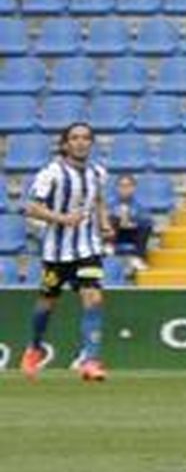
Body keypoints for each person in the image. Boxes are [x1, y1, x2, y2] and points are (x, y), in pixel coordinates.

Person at [18, 123, 113, 382]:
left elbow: (98, 200)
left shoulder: (97, 173)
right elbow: (31, 207)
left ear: (91, 143)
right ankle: (34, 348)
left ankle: (90, 361)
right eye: (75, 138)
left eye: (86, 138)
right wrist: (62, 219)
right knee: (47, 303)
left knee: (93, 298)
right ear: (65, 144)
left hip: (88, 248)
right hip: (56, 253)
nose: (81, 142)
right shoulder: (51, 173)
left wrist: (104, 223)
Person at [109, 174, 152, 272]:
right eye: (121, 186)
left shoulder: (141, 204)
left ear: (133, 188)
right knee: (112, 220)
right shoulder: (110, 203)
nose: (124, 189)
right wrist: (118, 219)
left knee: (146, 226)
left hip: (133, 234)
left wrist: (133, 221)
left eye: (128, 186)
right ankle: (109, 247)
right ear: (117, 188)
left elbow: (147, 219)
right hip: (116, 234)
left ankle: (138, 257)